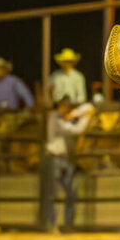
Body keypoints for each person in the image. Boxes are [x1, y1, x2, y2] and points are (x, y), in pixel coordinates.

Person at [44, 96, 95, 231]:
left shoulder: (67, 118)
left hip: (67, 159)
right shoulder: (54, 118)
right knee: (53, 194)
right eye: (63, 107)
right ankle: (51, 224)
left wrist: (79, 114)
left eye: (68, 107)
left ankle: (68, 225)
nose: (65, 110)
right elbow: (75, 130)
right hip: (55, 158)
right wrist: (86, 118)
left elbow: (89, 107)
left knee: (71, 194)